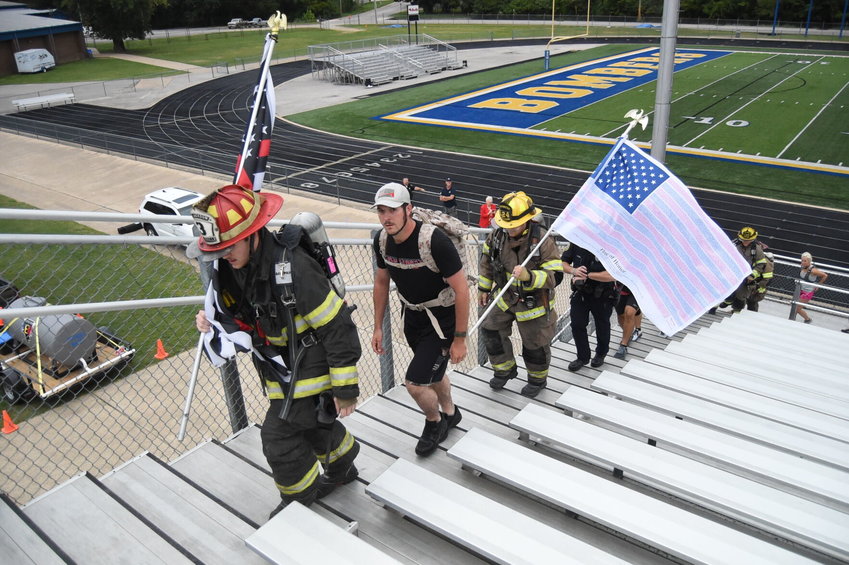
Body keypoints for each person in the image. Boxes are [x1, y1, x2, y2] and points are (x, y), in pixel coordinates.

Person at [190, 185, 361, 518]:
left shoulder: (294, 267)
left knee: (278, 435)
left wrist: (345, 388)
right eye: (218, 249)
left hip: (312, 366)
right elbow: (239, 315)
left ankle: (299, 496)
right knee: (311, 422)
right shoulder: (235, 267)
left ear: (253, 234)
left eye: (230, 246)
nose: (224, 255)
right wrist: (211, 321)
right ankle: (344, 467)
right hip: (281, 367)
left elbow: (337, 326)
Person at [371, 182, 469, 456]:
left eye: (392, 210)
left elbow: (462, 290)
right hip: (412, 316)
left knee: (415, 382)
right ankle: (451, 412)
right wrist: (378, 326)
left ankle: (434, 421)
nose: (386, 218)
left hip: (442, 320)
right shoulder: (381, 240)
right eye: (381, 211)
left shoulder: (434, 241)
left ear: (408, 209)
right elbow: (381, 282)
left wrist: (460, 339)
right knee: (433, 372)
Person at [478, 192, 562, 398]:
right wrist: (483, 288)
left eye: (514, 224)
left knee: (535, 343)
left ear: (527, 219)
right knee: (490, 328)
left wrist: (529, 276)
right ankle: (504, 369)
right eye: (506, 225)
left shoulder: (543, 240)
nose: (509, 229)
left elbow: (556, 276)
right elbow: (487, 263)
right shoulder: (496, 236)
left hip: (533, 302)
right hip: (505, 297)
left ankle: (537, 379)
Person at [561, 243, 617, 371]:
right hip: (581, 292)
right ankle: (583, 357)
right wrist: (574, 271)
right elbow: (563, 263)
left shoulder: (611, 244)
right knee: (576, 324)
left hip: (603, 294)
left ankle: (601, 354)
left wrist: (587, 275)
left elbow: (613, 275)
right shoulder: (577, 241)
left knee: (602, 325)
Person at [710, 227, 773, 313]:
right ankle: (714, 307)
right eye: (743, 240)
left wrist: (752, 275)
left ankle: (736, 311)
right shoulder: (733, 245)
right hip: (731, 274)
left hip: (746, 277)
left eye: (748, 241)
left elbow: (760, 264)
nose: (745, 242)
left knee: (741, 295)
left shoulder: (757, 250)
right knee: (723, 290)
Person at [796, 252, 828, 324]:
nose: (803, 262)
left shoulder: (813, 270)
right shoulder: (802, 266)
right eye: (802, 260)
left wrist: (818, 285)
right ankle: (792, 319)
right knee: (794, 306)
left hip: (807, 292)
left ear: (809, 261)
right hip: (800, 289)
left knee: (797, 308)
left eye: (805, 261)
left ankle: (807, 319)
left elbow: (825, 275)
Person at [613, 284, 642, 360]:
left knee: (629, 313)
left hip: (638, 289)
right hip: (620, 289)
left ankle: (623, 345)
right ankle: (630, 332)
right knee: (621, 314)